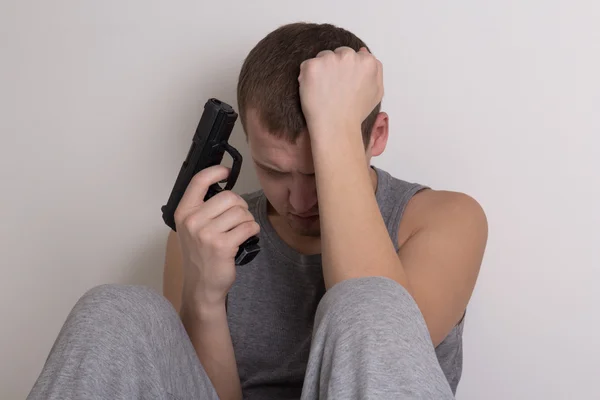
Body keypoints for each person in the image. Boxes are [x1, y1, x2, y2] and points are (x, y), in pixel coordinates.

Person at [28, 22, 488, 400]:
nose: (300, 201)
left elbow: (382, 355)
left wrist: (335, 125)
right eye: (274, 171)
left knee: (372, 301)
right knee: (115, 309)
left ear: (376, 136)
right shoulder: (203, 234)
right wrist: (205, 298)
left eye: (317, 173)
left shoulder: (445, 219)